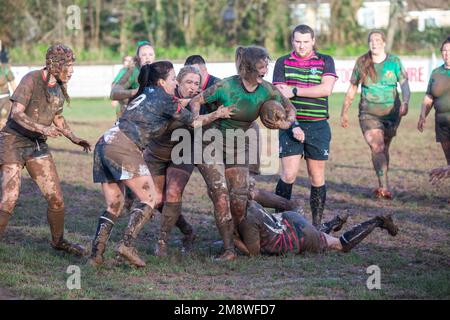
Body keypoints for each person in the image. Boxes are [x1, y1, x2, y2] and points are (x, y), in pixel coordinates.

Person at [89, 61, 235, 267]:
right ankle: (126, 245)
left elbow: (174, 105)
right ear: (162, 81)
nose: (175, 82)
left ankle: (96, 256)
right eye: (173, 79)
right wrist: (217, 114)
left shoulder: (148, 91)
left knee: (114, 205)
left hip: (104, 143)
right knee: (151, 198)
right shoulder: (166, 99)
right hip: (124, 146)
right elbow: (194, 121)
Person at [189, 46, 297, 260]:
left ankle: (237, 238)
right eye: (261, 66)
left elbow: (290, 108)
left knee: (239, 202)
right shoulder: (226, 86)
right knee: (220, 196)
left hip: (239, 146)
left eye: (267, 65)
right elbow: (195, 101)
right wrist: (198, 117)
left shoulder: (267, 89)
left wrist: (286, 122)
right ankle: (229, 249)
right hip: (211, 144)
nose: (266, 70)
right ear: (248, 67)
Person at [0, 44, 90, 255]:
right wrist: (42, 127)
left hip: (37, 145)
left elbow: (57, 117)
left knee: (56, 199)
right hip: (13, 141)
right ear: (56, 65)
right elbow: (16, 113)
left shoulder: (58, 85)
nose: (72, 70)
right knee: (8, 199)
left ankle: (58, 242)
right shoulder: (31, 79)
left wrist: (74, 138)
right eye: (69, 65)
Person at [273, 24, 338, 227]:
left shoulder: (325, 60)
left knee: (316, 176)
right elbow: (280, 97)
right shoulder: (283, 61)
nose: (301, 46)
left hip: (318, 125)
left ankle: (316, 226)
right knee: (289, 174)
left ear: (313, 41)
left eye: (306, 42)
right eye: (298, 41)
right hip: (290, 125)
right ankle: (279, 222)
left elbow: (326, 89)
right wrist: (294, 125)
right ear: (292, 41)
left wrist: (295, 90)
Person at [341, 30, 410, 200]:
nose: (374, 43)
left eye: (378, 40)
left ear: (384, 43)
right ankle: (383, 187)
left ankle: (383, 181)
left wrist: (406, 102)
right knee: (377, 147)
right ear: (368, 43)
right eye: (371, 40)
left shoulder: (394, 62)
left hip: (392, 115)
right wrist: (344, 111)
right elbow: (352, 89)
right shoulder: (362, 62)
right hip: (368, 114)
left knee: (384, 148)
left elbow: (405, 85)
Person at [144, 66, 202, 256]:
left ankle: (162, 241)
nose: (193, 87)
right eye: (189, 82)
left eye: (197, 84)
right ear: (178, 81)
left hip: (183, 152)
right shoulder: (166, 96)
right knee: (157, 199)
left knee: (173, 192)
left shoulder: (200, 101)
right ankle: (187, 230)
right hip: (157, 153)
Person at [237, 200, 398, 256]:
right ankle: (334, 222)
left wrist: (234, 240)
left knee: (340, 245)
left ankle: (377, 221)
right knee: (313, 232)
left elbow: (254, 253)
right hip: (289, 220)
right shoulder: (250, 200)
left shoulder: (246, 219)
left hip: (297, 236)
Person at [418, 37, 450, 166]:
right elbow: (429, 97)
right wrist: (422, 115)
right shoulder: (436, 73)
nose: (447, 53)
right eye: (444, 50)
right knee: (449, 161)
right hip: (442, 123)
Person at [110, 41, 155, 119]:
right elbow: (114, 93)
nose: (147, 57)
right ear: (138, 58)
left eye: (150, 54)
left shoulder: (159, 71)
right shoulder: (131, 71)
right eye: (144, 55)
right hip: (128, 116)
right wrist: (134, 93)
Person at [0, 40, 17, 129]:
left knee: (2, 124)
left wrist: (14, 102)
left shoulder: (5, 70)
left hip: (4, 101)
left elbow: (15, 88)